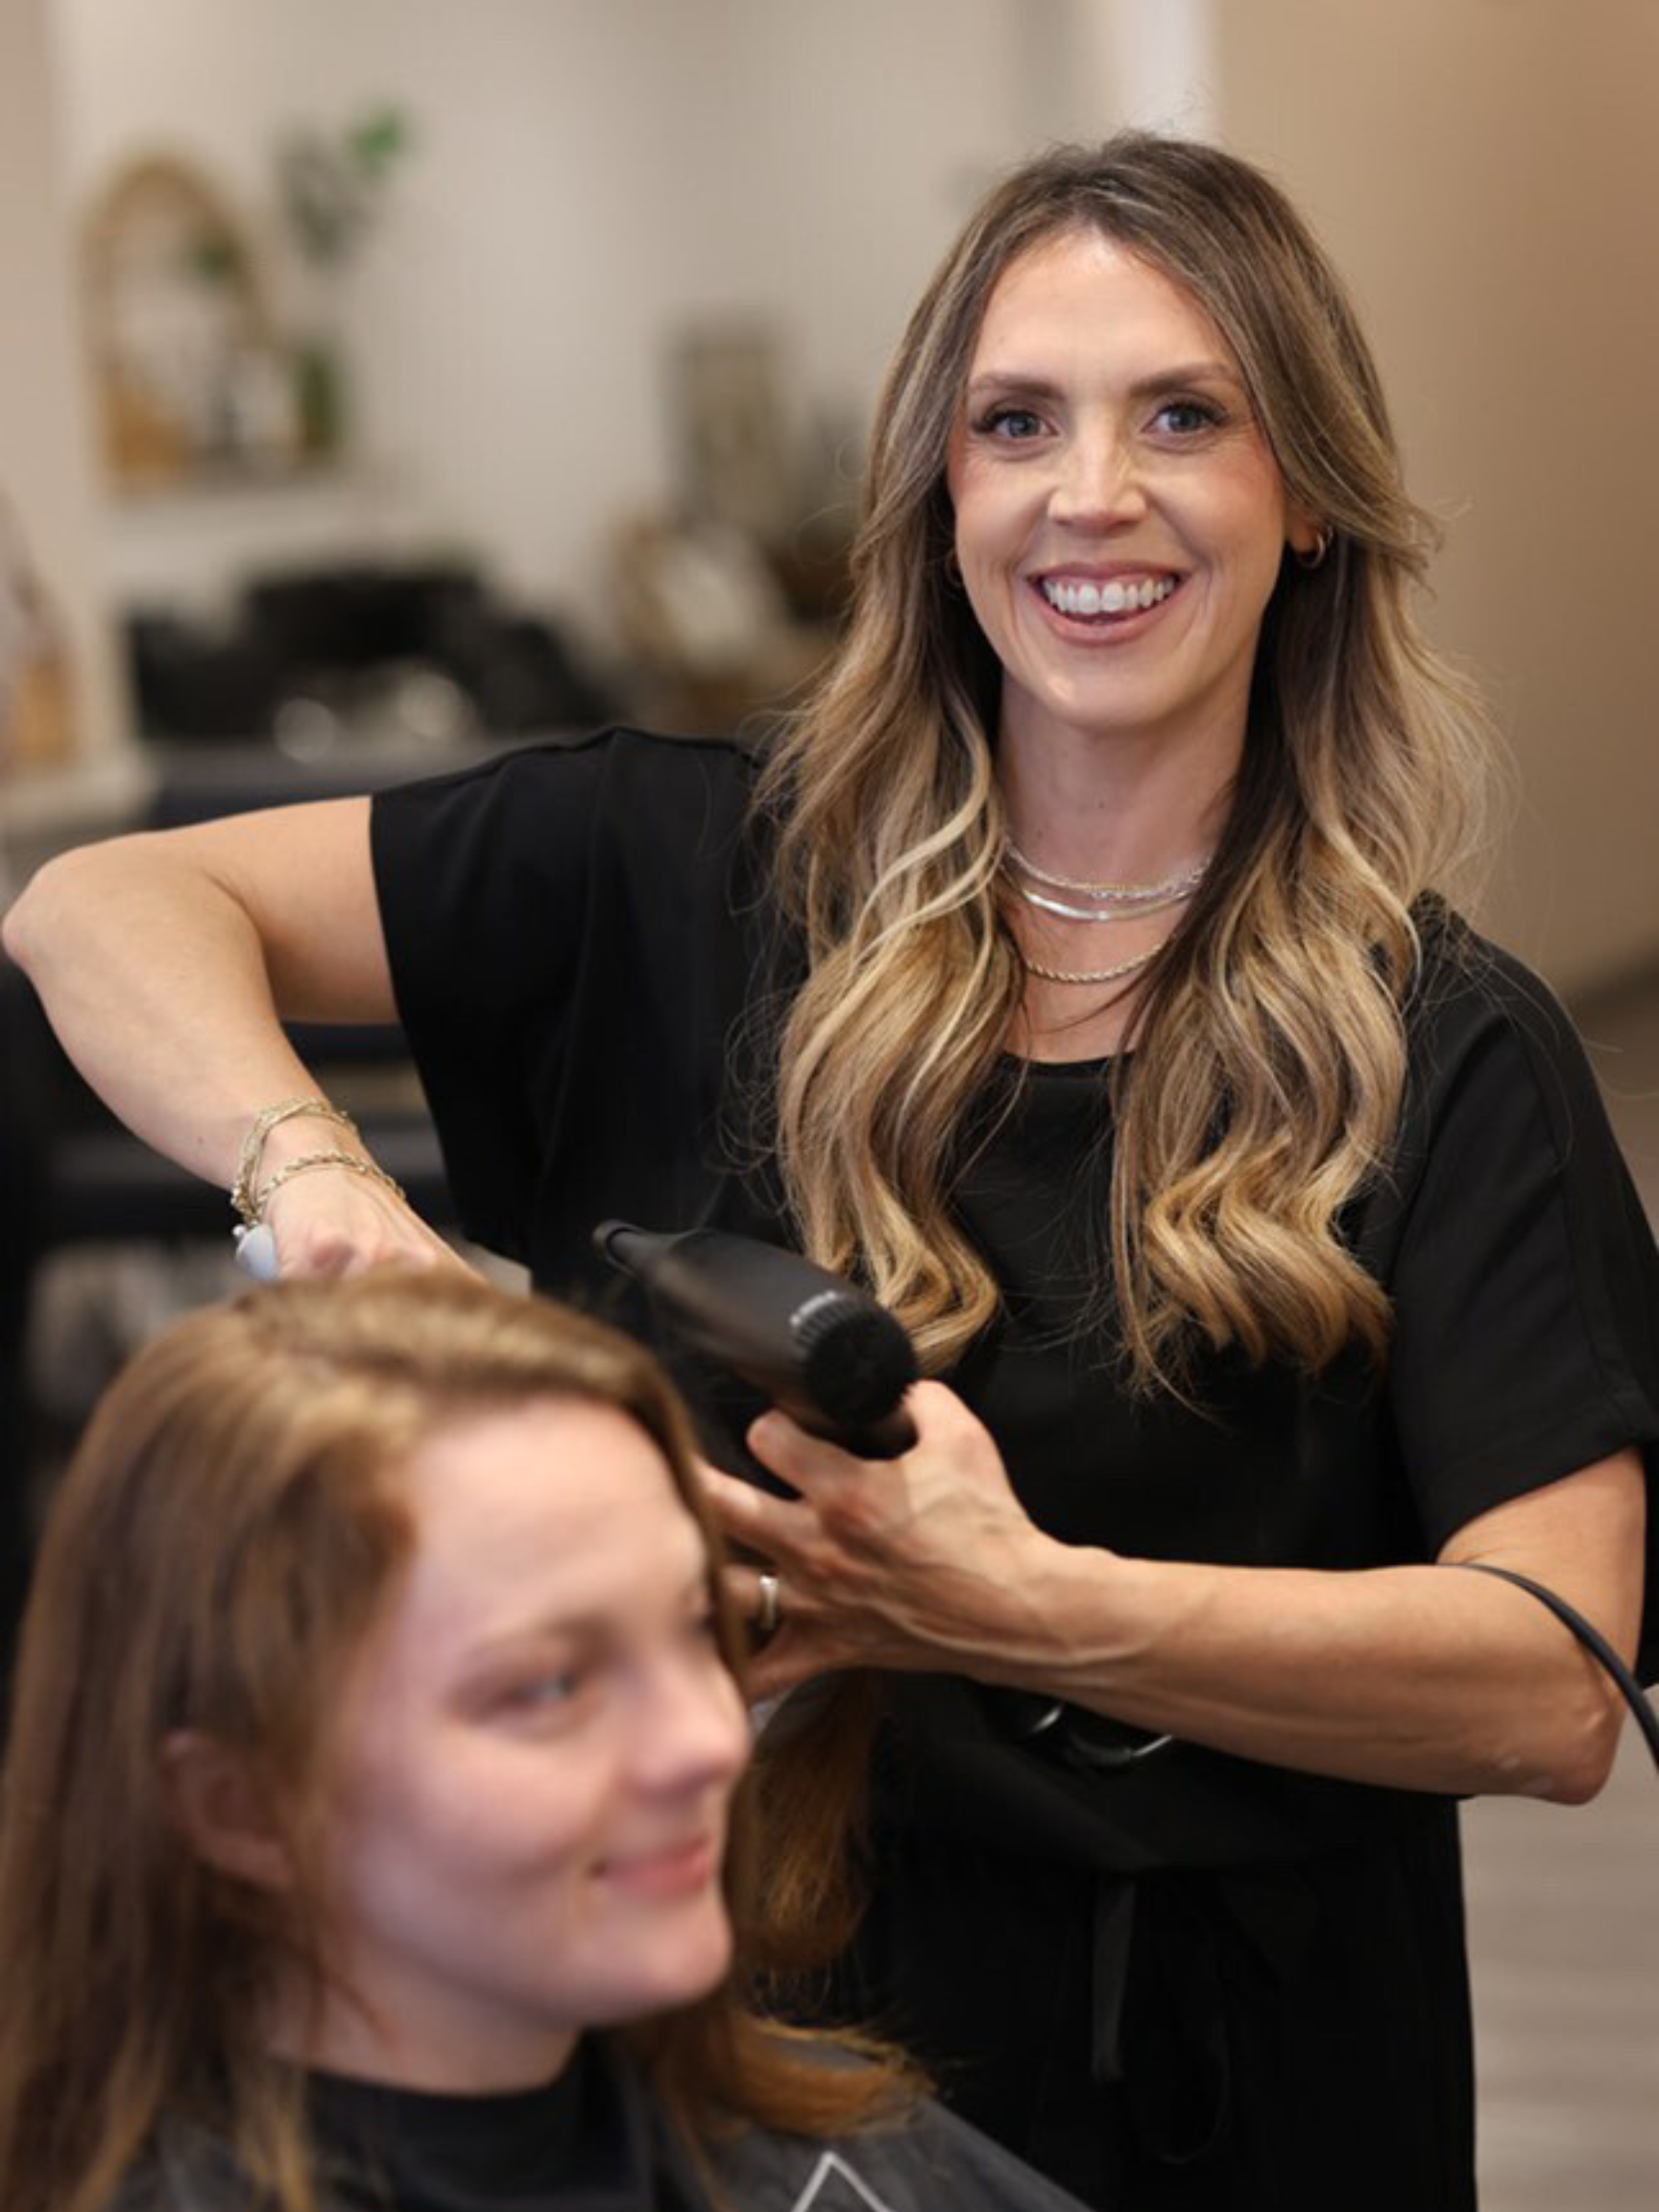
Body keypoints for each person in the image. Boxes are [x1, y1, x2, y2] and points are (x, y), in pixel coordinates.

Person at [5, 132, 1656, 2209]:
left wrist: (1036, 1611)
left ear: (1304, 497)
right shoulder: (689, 870)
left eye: (1185, 418)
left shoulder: (1447, 1051)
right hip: (704, 2038)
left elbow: (1553, 1682)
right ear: (939, 491)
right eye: (1016, 423)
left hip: (1221, 2099)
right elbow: (103, 906)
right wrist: (321, 1191)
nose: (1093, 495)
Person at [0, 1269, 1089, 2212]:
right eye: (549, 1687)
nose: (708, 1746)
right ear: (242, 1807)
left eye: (696, 1628)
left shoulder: (849, 2161)